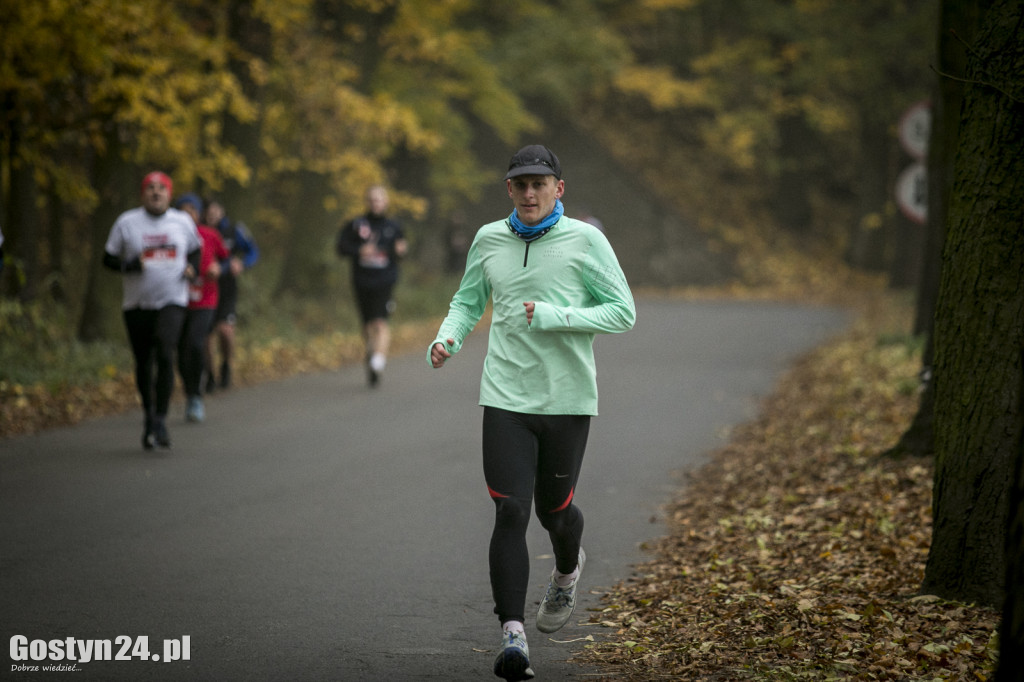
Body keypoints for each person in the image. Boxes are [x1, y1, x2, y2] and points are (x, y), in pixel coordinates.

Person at [427, 145, 636, 681]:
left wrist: (552, 315)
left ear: (558, 189)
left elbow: (622, 312)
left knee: (555, 513)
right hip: (505, 398)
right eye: (520, 185)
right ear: (509, 189)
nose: (529, 193)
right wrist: (448, 336)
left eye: (539, 184)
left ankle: (567, 571)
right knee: (510, 511)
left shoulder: (586, 240)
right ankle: (513, 636)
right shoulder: (488, 239)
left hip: (566, 400)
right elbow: (468, 299)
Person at [103, 171, 201, 450]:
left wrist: (192, 267)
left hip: (173, 299)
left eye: (161, 188)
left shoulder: (181, 222)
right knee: (144, 362)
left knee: (165, 350)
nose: (156, 193)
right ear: (142, 194)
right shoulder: (127, 222)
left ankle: (160, 419)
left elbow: (196, 249)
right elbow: (108, 258)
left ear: (169, 194)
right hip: (136, 304)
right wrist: (129, 266)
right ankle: (148, 414)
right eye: (150, 188)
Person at [336, 185, 408, 386]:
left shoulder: (394, 226)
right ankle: (371, 353)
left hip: (385, 281)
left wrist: (401, 251)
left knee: (380, 323)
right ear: (367, 202)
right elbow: (341, 248)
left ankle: (378, 361)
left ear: (386, 202)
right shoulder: (356, 225)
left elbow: (401, 250)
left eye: (380, 199)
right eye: (372, 199)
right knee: (367, 326)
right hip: (361, 281)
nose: (376, 203)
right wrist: (360, 251)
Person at [174, 193, 229, 423]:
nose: (188, 214)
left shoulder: (210, 234)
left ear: (199, 214)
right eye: (183, 209)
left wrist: (219, 268)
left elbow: (226, 259)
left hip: (206, 300)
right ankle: (189, 390)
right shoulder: (169, 235)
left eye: (192, 210)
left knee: (196, 344)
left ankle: (196, 395)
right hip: (176, 300)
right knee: (179, 350)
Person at [203, 199, 259, 391]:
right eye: (209, 210)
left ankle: (226, 365)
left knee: (225, 332)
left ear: (222, 210)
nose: (212, 214)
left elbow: (253, 251)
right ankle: (209, 375)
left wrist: (241, 264)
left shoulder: (234, 230)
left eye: (216, 209)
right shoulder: (196, 230)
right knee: (206, 337)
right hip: (204, 289)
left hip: (227, 289)